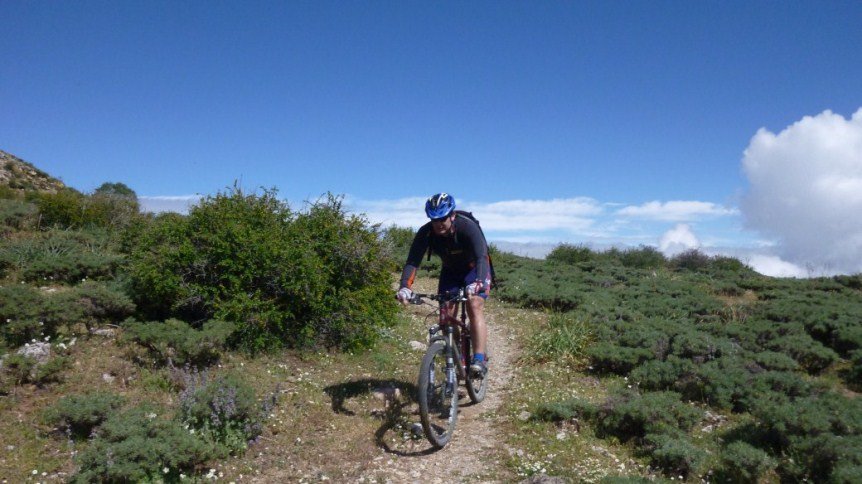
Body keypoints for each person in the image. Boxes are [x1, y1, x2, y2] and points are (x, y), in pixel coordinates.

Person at [396, 193, 492, 377]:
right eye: (434, 219)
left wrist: (478, 281)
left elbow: (482, 256)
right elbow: (412, 261)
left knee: (474, 304)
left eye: (442, 218)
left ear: (452, 215)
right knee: (445, 317)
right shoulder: (426, 232)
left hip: (475, 269)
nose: (439, 223)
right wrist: (405, 286)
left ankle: (479, 359)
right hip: (450, 272)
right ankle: (455, 354)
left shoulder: (467, 227)